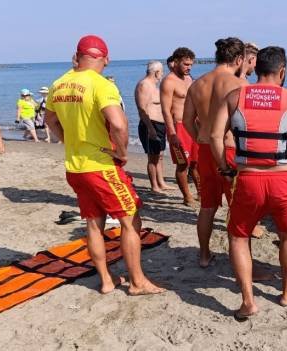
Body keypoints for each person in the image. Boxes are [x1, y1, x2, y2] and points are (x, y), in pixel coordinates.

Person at [44, 35, 164, 295]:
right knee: (131, 221)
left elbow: (50, 120)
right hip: (101, 166)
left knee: (93, 223)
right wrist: (121, 152)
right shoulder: (100, 85)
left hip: (75, 167)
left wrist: (69, 141)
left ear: (78, 55)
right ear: (105, 58)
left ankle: (107, 281)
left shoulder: (59, 84)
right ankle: (137, 282)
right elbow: (119, 124)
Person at [210, 46, 287, 320]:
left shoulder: (235, 97)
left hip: (248, 180)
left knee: (238, 236)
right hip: (283, 180)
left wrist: (225, 168)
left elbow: (214, 136)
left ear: (256, 68)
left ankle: (248, 300)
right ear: (282, 72)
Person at [182, 37, 246, 267]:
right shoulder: (238, 85)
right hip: (229, 150)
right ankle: (239, 259)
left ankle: (204, 255)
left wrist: (200, 136)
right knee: (237, 208)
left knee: (207, 206)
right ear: (238, 59)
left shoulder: (197, 84)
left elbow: (187, 120)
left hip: (205, 149)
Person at [161, 47, 199, 206]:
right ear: (176, 62)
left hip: (194, 126)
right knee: (183, 163)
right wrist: (172, 133)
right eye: (185, 64)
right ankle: (187, 197)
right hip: (179, 127)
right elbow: (165, 109)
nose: (189, 67)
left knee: (197, 163)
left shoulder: (189, 78)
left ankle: (201, 194)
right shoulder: (168, 81)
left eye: (191, 64)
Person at [135, 60, 172, 193]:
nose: (163, 74)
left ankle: (161, 183)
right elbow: (142, 109)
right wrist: (150, 128)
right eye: (162, 72)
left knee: (160, 155)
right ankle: (154, 186)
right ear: (156, 72)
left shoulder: (154, 86)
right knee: (153, 157)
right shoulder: (144, 85)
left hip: (160, 126)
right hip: (150, 125)